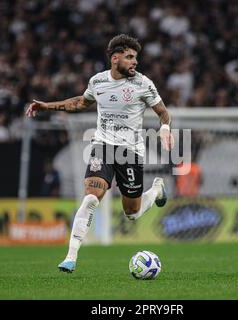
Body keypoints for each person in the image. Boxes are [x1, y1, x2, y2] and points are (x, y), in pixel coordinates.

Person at [25, 34, 174, 273]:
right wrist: (46, 106)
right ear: (115, 59)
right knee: (91, 198)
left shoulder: (143, 84)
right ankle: (71, 256)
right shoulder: (98, 81)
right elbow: (79, 103)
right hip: (102, 147)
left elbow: (163, 112)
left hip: (130, 152)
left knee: (132, 214)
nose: (135, 61)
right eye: (129, 57)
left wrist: (165, 128)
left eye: (135, 57)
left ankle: (156, 188)